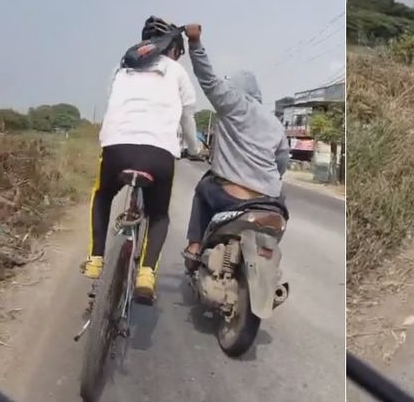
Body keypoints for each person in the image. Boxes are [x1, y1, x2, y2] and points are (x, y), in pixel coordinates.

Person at [83, 16, 201, 304]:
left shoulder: (122, 67)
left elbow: (114, 103)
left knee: (102, 196)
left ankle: (96, 259)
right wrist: (195, 150)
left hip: (116, 148)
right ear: (174, 49)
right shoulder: (176, 72)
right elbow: (187, 119)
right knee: (158, 215)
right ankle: (147, 273)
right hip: (159, 154)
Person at [180, 24, 290, 270]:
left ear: (236, 90)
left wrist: (195, 43)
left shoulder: (232, 103)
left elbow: (207, 78)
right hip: (272, 202)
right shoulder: (275, 122)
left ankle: (195, 247)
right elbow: (282, 160)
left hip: (232, 198)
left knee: (203, 188)